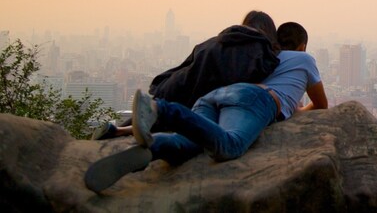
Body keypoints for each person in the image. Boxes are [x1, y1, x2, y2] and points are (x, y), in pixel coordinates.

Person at [84, 21, 327, 193]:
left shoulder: (265, 57)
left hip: (218, 96)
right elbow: (320, 105)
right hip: (254, 100)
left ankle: (154, 147)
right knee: (228, 146)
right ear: (303, 46)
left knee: (189, 144)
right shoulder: (305, 60)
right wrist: (293, 110)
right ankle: (161, 109)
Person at [92, 11, 281, 140]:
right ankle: (124, 133)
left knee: (156, 119)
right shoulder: (261, 52)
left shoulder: (215, 41)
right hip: (201, 97)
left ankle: (116, 130)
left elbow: (186, 65)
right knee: (170, 125)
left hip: (176, 86)